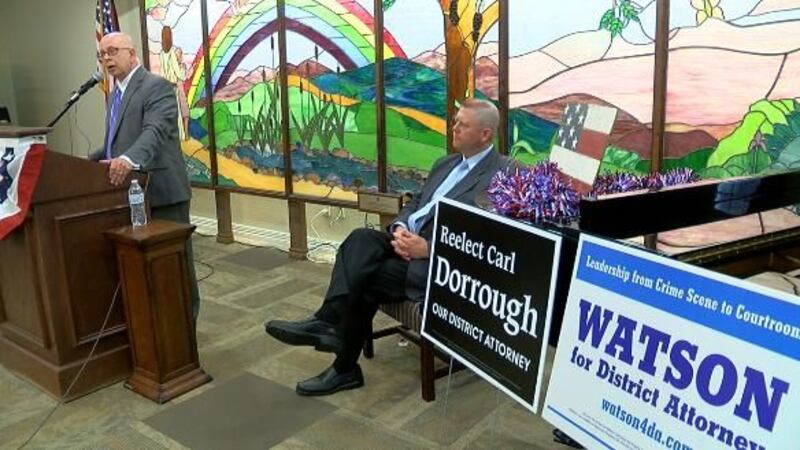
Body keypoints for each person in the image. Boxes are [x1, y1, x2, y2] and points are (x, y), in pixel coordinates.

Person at [265, 99, 507, 396]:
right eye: (455, 121)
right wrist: (400, 228)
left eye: (462, 124)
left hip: (436, 266)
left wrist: (429, 248)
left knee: (365, 278)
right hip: (405, 243)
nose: (453, 128)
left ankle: (341, 360)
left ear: (485, 134)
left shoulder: (500, 178)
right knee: (359, 239)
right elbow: (418, 203)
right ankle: (329, 324)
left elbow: (490, 242)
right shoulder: (445, 164)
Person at [91, 32, 200, 322]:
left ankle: (185, 334)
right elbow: (118, 141)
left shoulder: (157, 86)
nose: (107, 59)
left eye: (113, 51)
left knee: (175, 269)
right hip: (131, 192)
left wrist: (127, 159)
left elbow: (154, 131)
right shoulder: (115, 93)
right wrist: (89, 161)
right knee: (146, 267)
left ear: (132, 52)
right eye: (102, 54)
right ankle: (155, 328)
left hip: (163, 192)